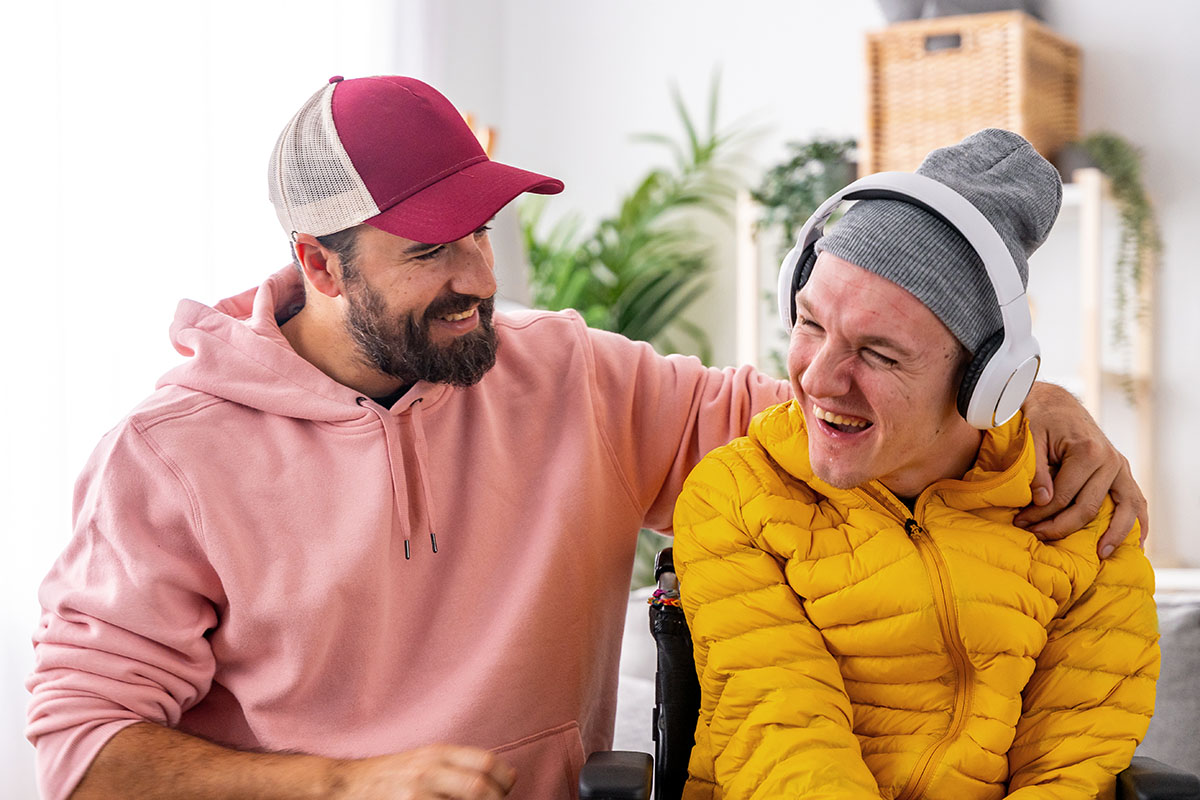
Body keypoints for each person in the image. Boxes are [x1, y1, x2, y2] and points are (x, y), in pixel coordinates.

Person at [25, 76, 1143, 800]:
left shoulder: (571, 376)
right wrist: (337, 782)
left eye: (480, 233)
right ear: (320, 264)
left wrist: (1025, 397)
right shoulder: (167, 458)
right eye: (427, 253)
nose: (476, 279)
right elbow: (82, 745)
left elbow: (836, 419)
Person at [673, 129, 1159, 800]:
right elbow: (783, 738)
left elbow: (1076, 764)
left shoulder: (1083, 511)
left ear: (988, 381)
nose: (816, 378)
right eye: (811, 324)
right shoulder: (737, 494)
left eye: (878, 353)